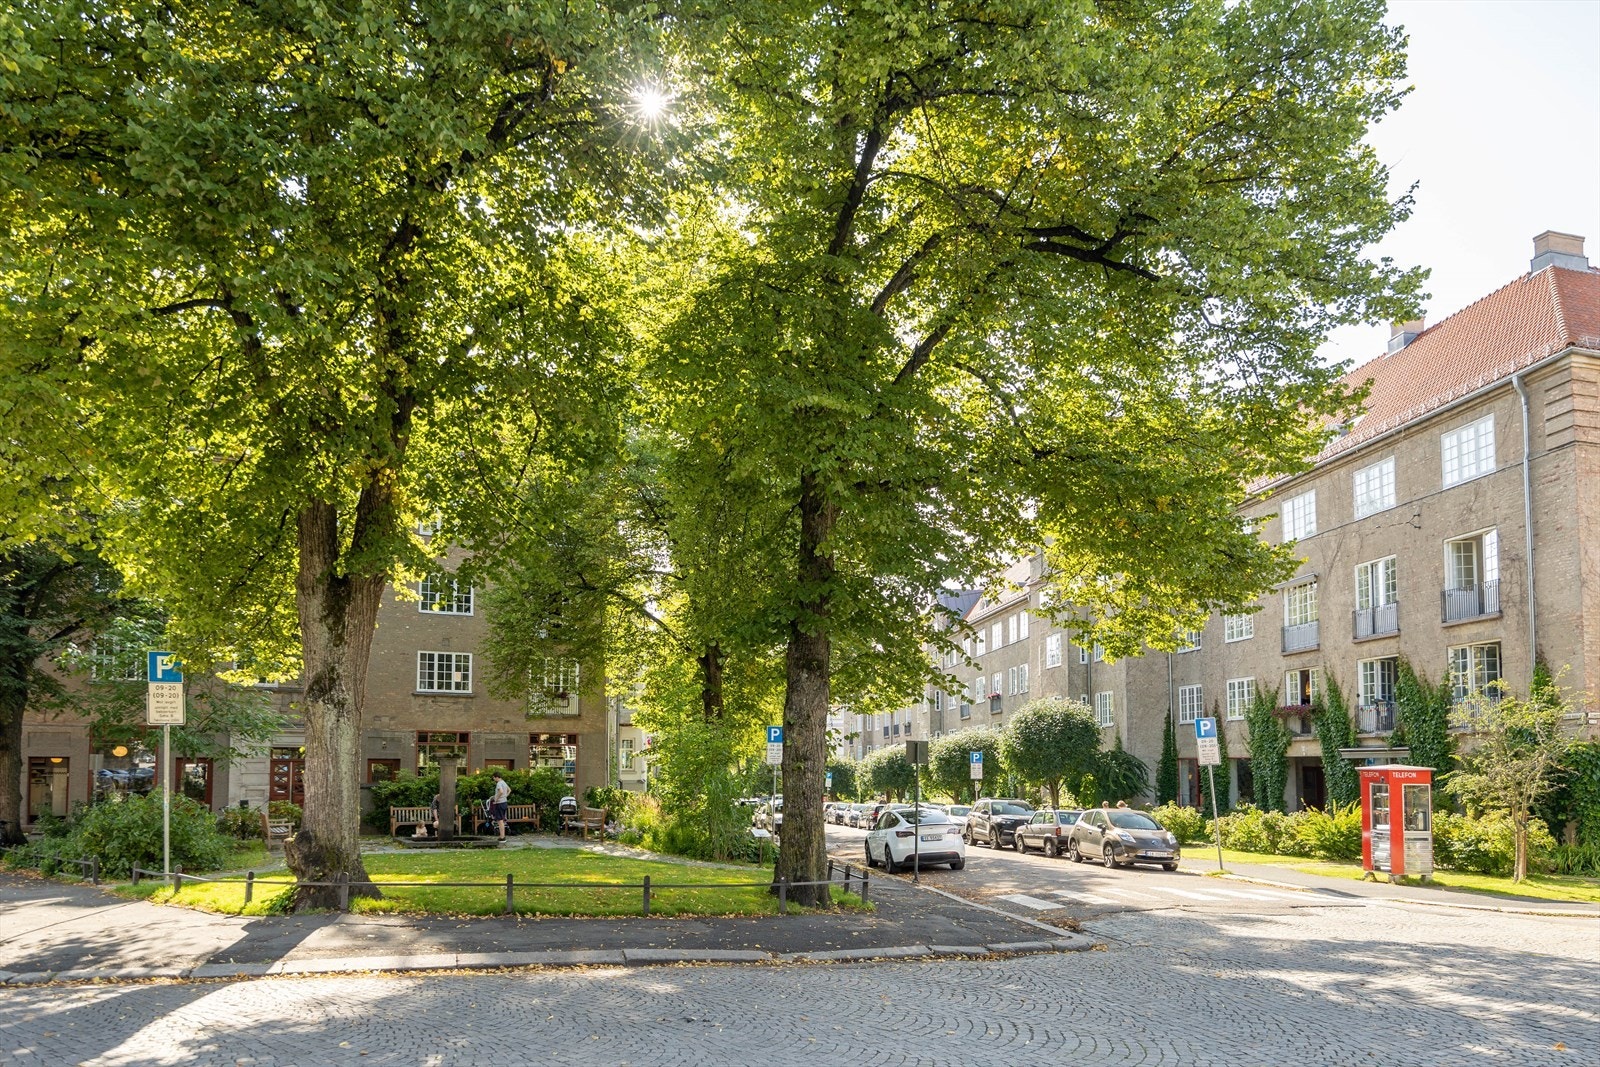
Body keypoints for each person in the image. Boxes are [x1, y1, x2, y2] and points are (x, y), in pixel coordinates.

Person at [490, 773, 511, 841]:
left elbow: (501, 791)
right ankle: (502, 836)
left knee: (500, 820)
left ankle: (502, 837)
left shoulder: (499, 783)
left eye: (493, 778)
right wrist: (505, 797)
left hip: (499, 803)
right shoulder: (504, 782)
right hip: (504, 802)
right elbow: (509, 790)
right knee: (502, 819)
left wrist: (496, 799)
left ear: (496, 777)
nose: (493, 779)